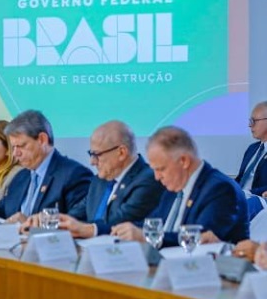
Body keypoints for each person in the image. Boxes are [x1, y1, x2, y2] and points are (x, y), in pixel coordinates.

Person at [112, 126, 248, 246]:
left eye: (161, 169)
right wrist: (126, 230)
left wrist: (145, 236)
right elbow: (154, 224)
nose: (156, 177)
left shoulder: (220, 190)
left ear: (183, 161)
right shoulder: (173, 188)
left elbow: (199, 238)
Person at [55, 120, 165, 238]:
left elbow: (120, 222)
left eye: (97, 155)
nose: (92, 162)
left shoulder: (149, 179)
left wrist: (89, 229)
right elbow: (75, 216)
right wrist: (51, 220)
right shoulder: (99, 181)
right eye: (90, 154)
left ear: (121, 153)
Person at [0, 109, 91, 221]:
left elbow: (77, 221)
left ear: (42, 139)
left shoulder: (74, 175)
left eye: (21, 146)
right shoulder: (21, 176)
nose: (16, 153)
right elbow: (1, 209)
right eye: (13, 147)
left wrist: (31, 223)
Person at [237, 101, 267, 197]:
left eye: (254, 121)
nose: (250, 125)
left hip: (258, 201)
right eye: (250, 121)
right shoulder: (252, 149)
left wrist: (247, 193)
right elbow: (240, 179)